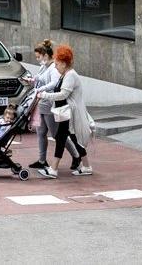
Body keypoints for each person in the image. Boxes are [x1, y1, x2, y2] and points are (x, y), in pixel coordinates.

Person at [35, 45, 93, 178]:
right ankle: (86, 166)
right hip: (67, 113)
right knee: (68, 138)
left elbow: (63, 95)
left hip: (70, 114)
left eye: (57, 64)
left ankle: (54, 169)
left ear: (63, 63)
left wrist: (44, 95)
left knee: (62, 138)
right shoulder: (66, 74)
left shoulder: (70, 76)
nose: (55, 67)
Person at [29, 40, 80, 171]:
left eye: (38, 57)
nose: (38, 59)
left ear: (45, 55)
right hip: (42, 102)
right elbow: (40, 79)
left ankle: (76, 155)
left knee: (57, 134)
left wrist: (42, 91)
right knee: (41, 132)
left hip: (50, 103)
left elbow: (55, 84)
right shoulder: (44, 67)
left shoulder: (54, 68)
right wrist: (33, 81)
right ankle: (42, 160)